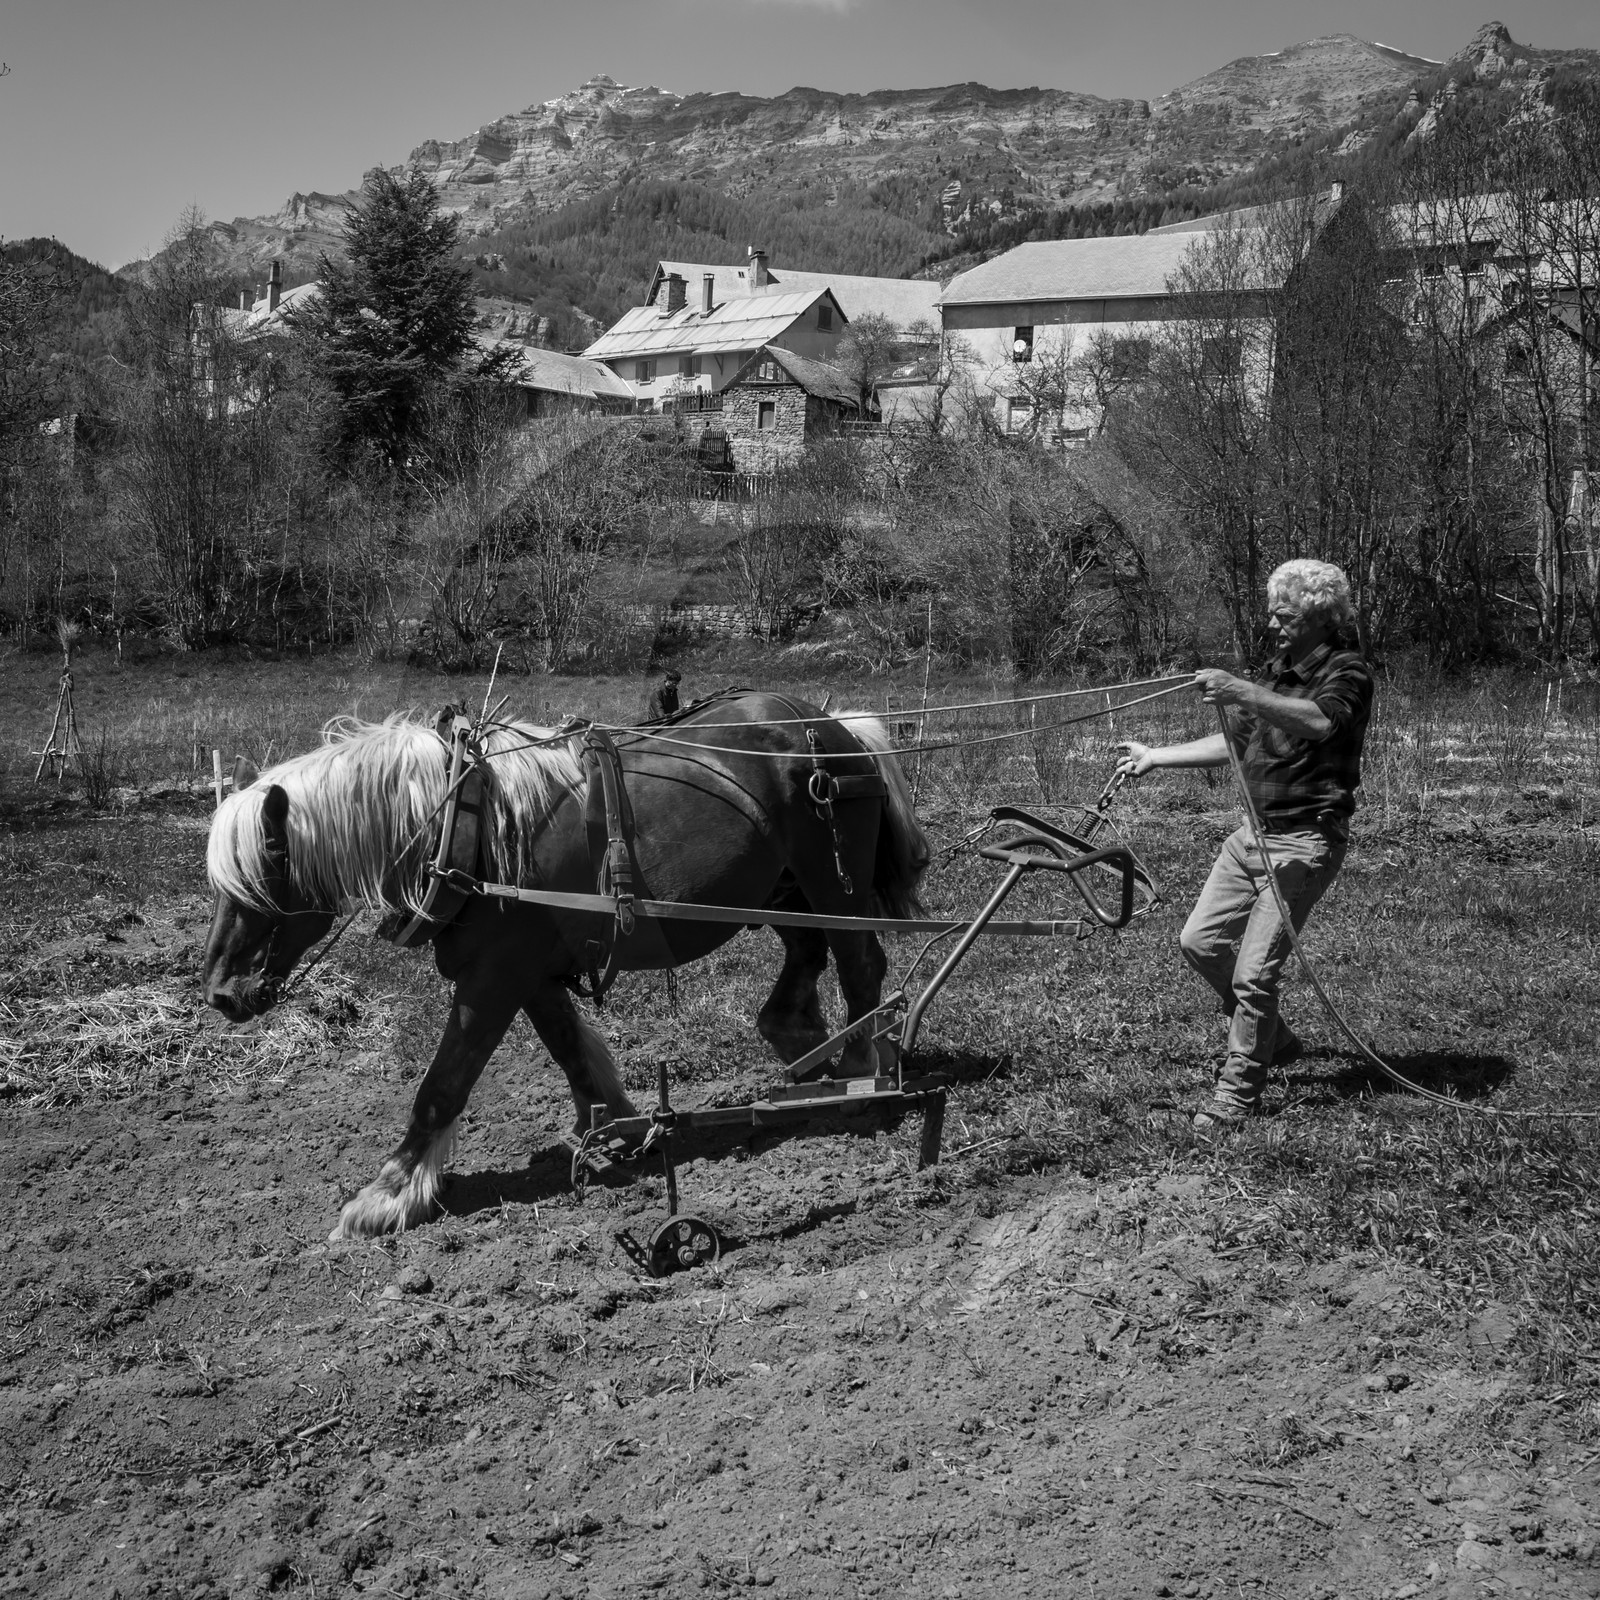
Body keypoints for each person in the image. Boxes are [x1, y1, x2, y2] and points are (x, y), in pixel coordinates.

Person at [1115, 559, 1374, 1132]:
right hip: (1250, 839)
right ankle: (1275, 1040)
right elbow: (1235, 738)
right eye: (1274, 616)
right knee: (1200, 943)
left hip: (1305, 843)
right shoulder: (1278, 671)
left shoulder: (1348, 671)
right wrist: (1157, 757)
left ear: (1318, 617)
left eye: (1284, 617)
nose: (1274, 626)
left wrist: (1241, 689)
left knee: (1254, 976)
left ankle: (1238, 1093)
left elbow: (1319, 723)